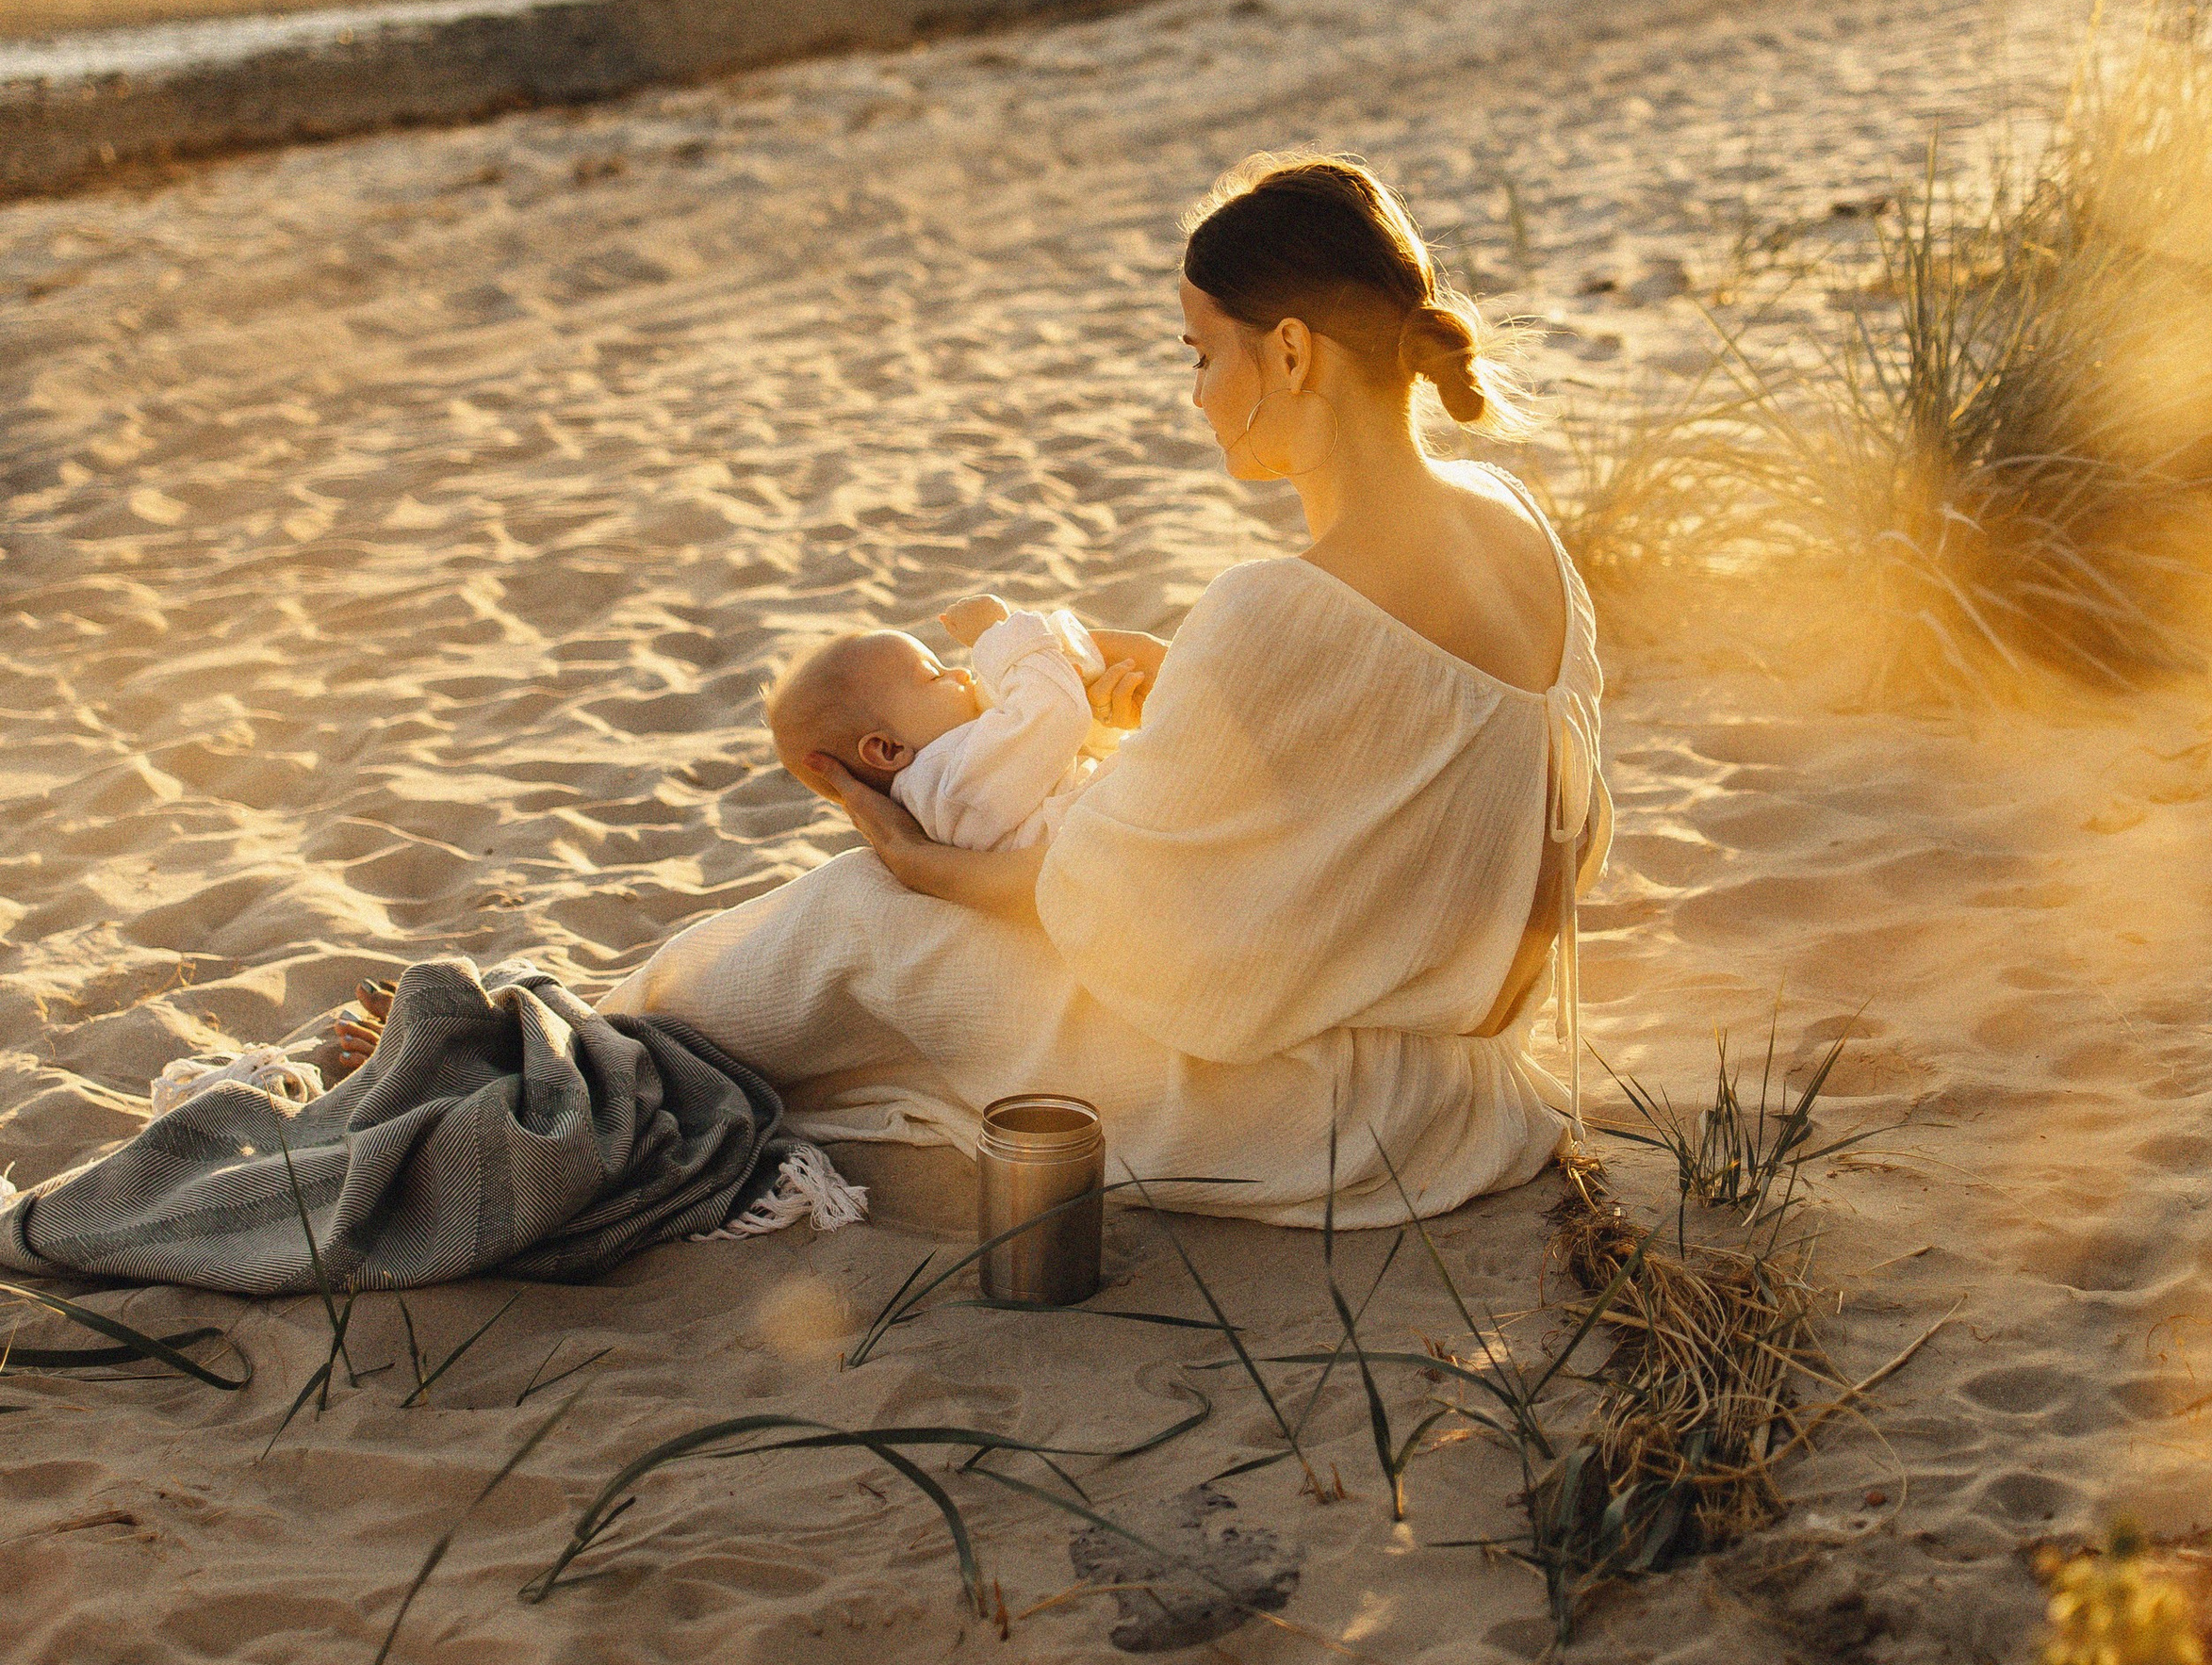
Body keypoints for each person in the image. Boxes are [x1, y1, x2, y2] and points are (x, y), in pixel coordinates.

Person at [602, 153, 1607, 1230]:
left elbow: (1119, 916)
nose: (1197, 396)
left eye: (1201, 354)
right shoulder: (1513, 522)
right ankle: (609, 1040)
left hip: (1326, 1120)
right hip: (1472, 1084)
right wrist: (1193, 691)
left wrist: (915, 861)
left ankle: (585, 1063)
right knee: (918, 911)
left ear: (1290, 351)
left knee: (863, 916)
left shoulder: (1273, 608)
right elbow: (1411, 773)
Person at [763, 596, 1155, 853]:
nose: (962, 675)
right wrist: (996, 632)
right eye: (935, 676)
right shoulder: (950, 784)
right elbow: (1056, 716)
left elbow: (1064, 754)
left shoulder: (953, 776)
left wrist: (1098, 724)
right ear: (888, 749)